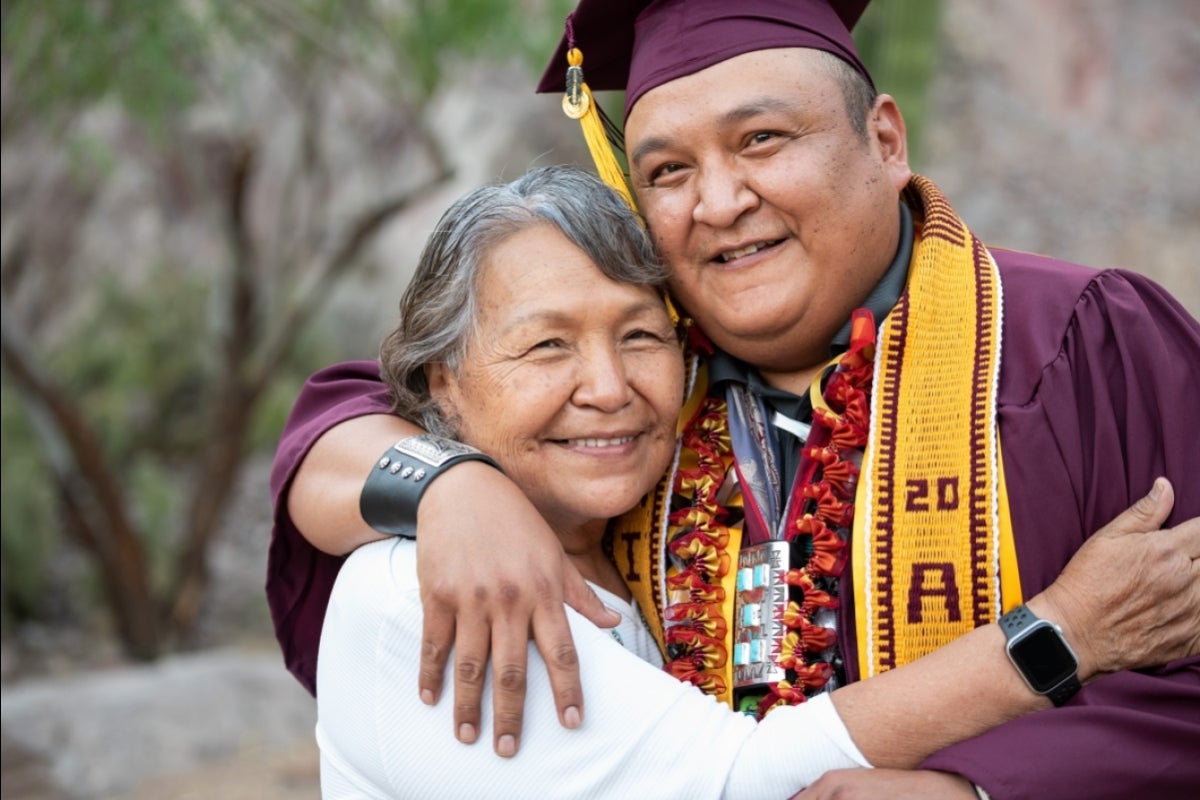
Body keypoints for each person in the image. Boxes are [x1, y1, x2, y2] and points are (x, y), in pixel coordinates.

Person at [268, 1, 1200, 797]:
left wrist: (984, 787)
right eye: (667, 171)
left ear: (884, 139)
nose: (717, 202)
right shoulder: (637, 387)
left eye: (761, 140)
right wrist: (447, 485)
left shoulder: (1079, 343)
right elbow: (358, 404)